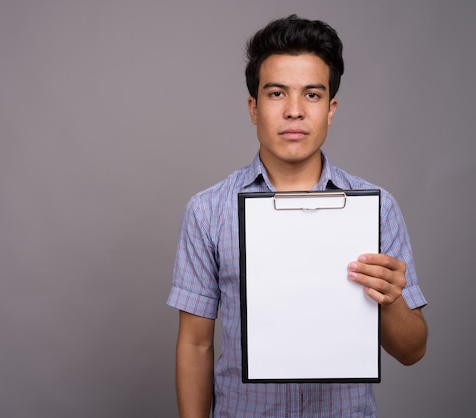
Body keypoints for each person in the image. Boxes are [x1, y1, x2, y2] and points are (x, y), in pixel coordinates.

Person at [167, 14, 428, 417]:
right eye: (276, 94)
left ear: (330, 108)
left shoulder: (377, 208)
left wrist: (390, 298)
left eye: (311, 94)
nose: (294, 111)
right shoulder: (208, 210)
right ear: (254, 108)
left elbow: (413, 351)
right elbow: (196, 344)